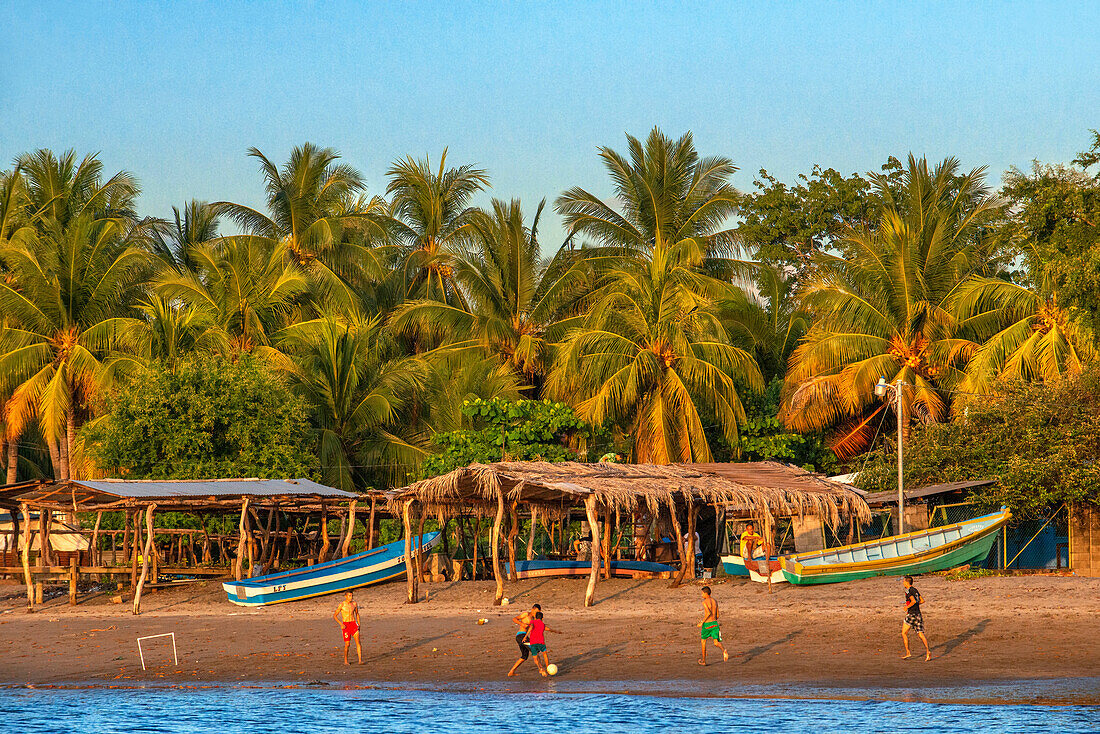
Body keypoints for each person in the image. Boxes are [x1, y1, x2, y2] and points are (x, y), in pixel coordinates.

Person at [901, 575, 931, 661]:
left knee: (903, 633)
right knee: (920, 634)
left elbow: (913, 601)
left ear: (907, 582)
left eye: (903, 581)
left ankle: (908, 652)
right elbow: (921, 600)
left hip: (911, 615)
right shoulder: (915, 590)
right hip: (918, 614)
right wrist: (914, 605)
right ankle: (928, 652)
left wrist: (907, 607)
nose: (903, 583)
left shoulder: (908, 591)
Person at [697, 586, 729, 665]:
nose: (701, 595)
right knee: (716, 643)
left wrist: (702, 622)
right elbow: (717, 615)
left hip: (707, 624)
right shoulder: (715, 601)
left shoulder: (704, 602)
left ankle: (703, 661)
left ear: (705, 593)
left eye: (702, 593)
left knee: (703, 641)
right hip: (715, 623)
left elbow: (708, 613)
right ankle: (723, 650)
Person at [507, 603, 541, 676]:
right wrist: (521, 624)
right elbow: (514, 619)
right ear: (533, 609)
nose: (537, 613)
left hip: (524, 637)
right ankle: (540, 669)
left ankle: (511, 672)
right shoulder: (526, 614)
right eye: (536, 611)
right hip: (520, 636)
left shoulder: (534, 619)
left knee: (524, 656)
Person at [524, 610, 559, 677]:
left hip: (533, 642)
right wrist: (556, 631)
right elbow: (548, 629)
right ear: (542, 618)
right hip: (541, 642)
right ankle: (547, 667)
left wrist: (525, 636)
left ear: (535, 617)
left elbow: (531, 627)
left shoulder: (533, 621)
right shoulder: (542, 624)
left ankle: (541, 669)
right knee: (545, 654)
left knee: (535, 657)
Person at [332, 590, 362, 665]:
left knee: (358, 642)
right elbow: (335, 615)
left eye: (352, 596)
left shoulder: (354, 604)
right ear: (346, 596)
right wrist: (341, 624)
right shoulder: (342, 605)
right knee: (347, 644)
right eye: (349, 596)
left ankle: (360, 660)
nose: (351, 597)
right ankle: (345, 661)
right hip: (346, 625)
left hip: (353, 624)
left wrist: (358, 624)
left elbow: (357, 614)